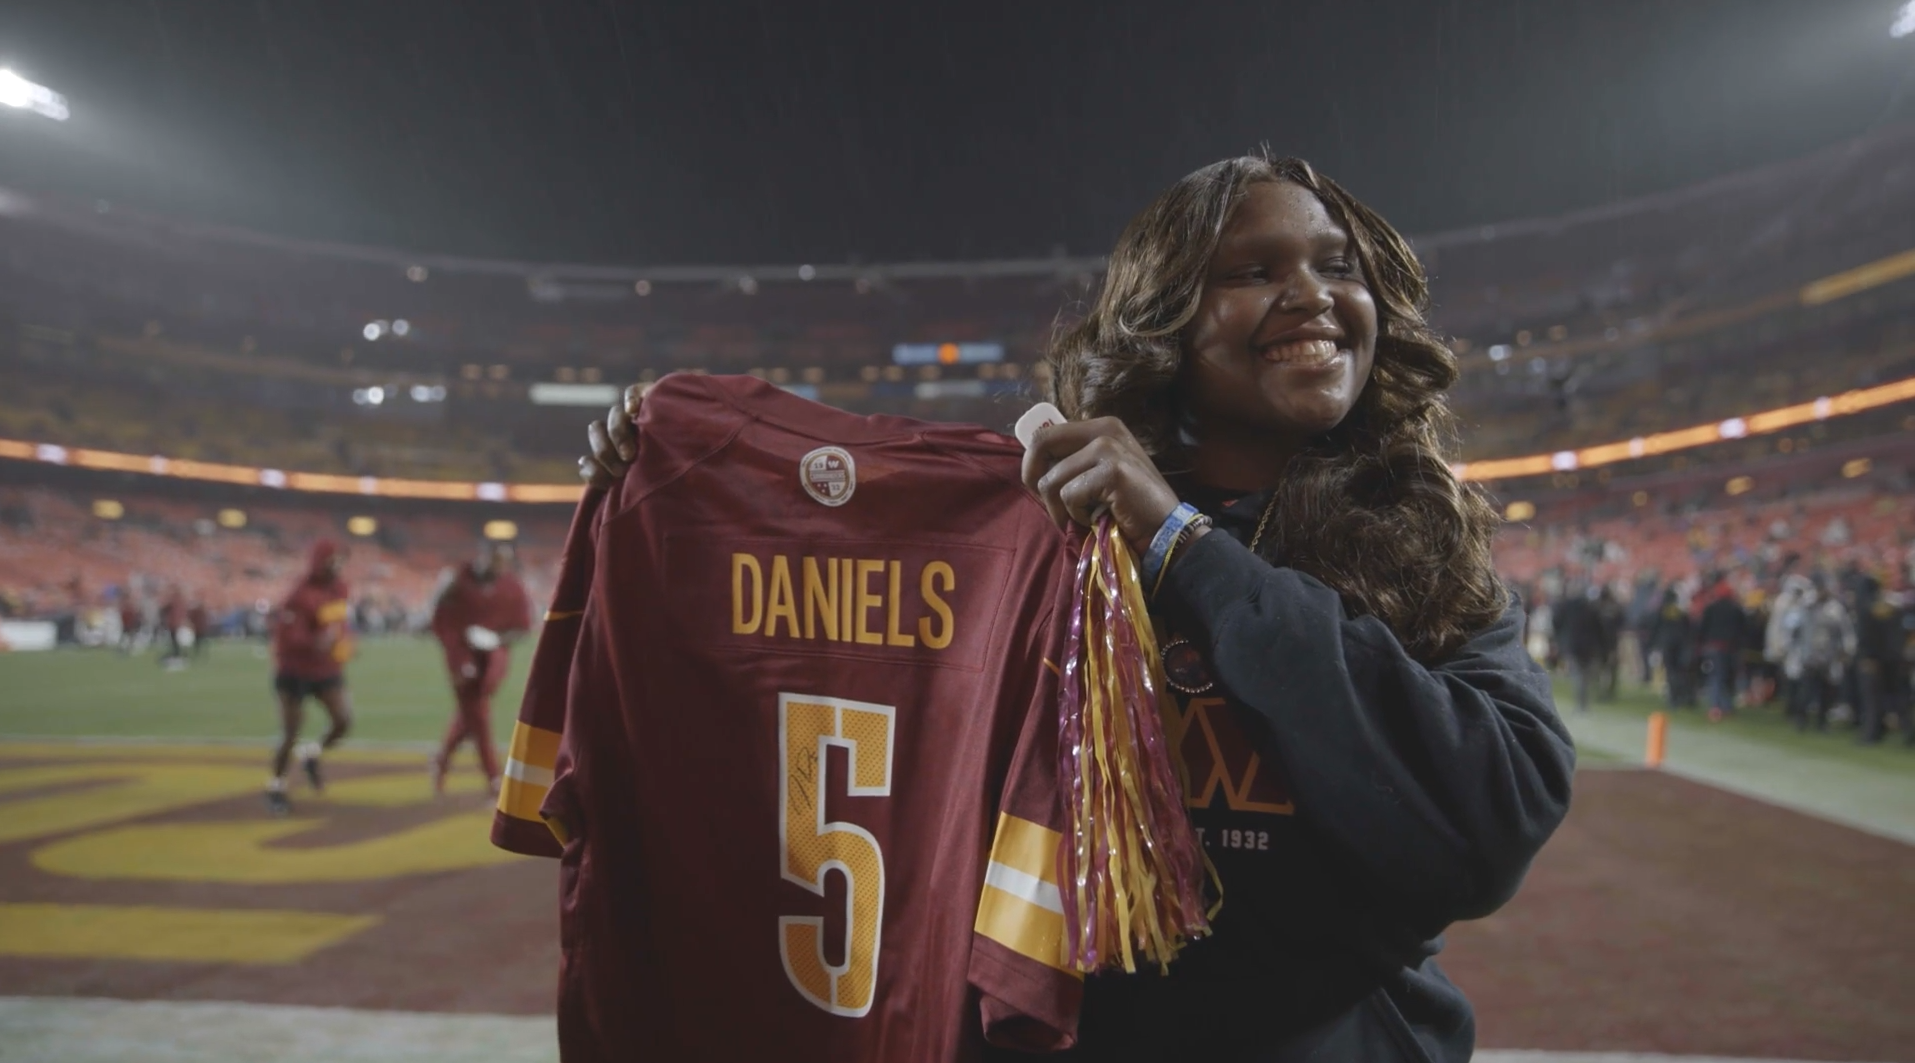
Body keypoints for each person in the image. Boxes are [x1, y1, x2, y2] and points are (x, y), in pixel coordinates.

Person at [584, 153, 1575, 1062]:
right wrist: (674, 479)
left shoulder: (1425, 550)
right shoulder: (1032, 531)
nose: (1310, 293)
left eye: (1336, 266)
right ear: (1164, 317)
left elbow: (1485, 829)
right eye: (1252, 271)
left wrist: (1181, 542)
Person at [428, 539, 533, 795]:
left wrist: (495, 639)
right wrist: (459, 651)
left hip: (494, 657)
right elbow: (439, 616)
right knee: (478, 714)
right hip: (462, 656)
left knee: (472, 713)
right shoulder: (457, 581)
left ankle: (442, 759)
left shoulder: (511, 588)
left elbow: (522, 628)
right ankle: (493, 777)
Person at [266, 540, 354, 815]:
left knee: (342, 720)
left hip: (325, 668)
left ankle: (311, 754)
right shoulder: (299, 595)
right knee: (290, 732)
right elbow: (287, 638)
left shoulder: (339, 588)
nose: (339, 565)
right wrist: (317, 641)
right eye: (334, 560)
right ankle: (276, 785)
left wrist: (345, 641)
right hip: (295, 670)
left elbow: (339, 623)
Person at [1695, 572, 1747, 721]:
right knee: (1728, 678)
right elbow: (1743, 628)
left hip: (1714, 647)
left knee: (1715, 677)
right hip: (1732, 648)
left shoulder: (1711, 607)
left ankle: (1715, 707)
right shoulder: (1736, 609)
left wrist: (1700, 644)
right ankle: (1727, 706)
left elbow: (1702, 627)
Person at [1553, 584, 1605, 714]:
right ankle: (1583, 702)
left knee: (1578, 676)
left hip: (1573, 646)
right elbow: (1600, 629)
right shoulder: (1592, 609)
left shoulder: (1566, 607)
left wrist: (1559, 640)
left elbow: (1557, 623)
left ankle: (1581, 703)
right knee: (1585, 676)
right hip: (1589, 647)